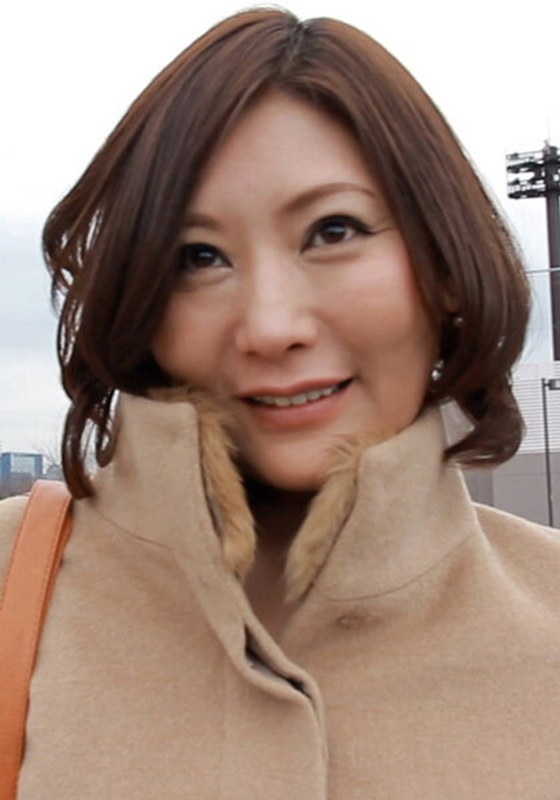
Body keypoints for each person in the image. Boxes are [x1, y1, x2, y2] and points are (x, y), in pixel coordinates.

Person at [1, 7, 560, 799]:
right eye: (199, 256)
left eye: (333, 231)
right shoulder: (13, 580)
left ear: (442, 262)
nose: (270, 327)